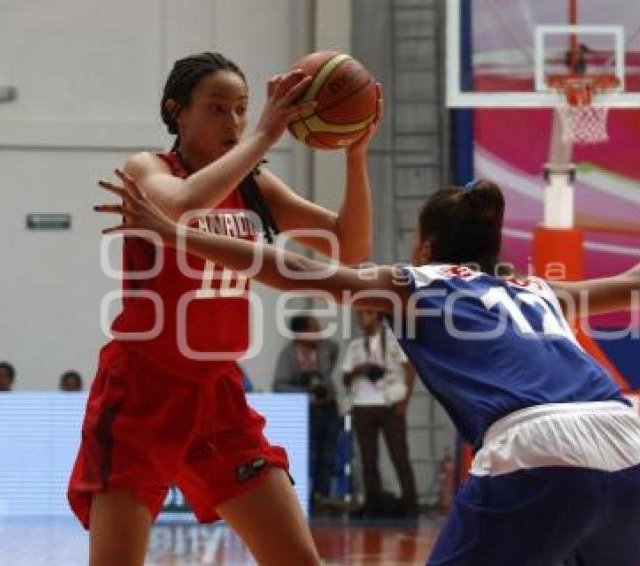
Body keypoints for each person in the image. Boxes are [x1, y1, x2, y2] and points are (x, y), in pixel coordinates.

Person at [96, 176, 640, 565]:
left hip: (536, 442)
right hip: (624, 437)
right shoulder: (535, 289)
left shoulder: (415, 282)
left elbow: (289, 266)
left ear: (427, 246)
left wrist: (172, 231)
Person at [74, 51, 380, 566]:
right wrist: (264, 136)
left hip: (219, 396)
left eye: (241, 109)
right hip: (143, 393)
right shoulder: (148, 168)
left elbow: (349, 246)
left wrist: (355, 154)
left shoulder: (253, 184)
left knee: (298, 560)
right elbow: (179, 208)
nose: (235, 122)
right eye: (218, 109)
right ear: (177, 111)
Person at [342, 308, 418, 518]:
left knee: (399, 456)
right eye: (359, 315)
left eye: (365, 314)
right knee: (368, 458)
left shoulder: (395, 342)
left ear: (376, 316)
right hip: (362, 405)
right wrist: (361, 369)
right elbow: (345, 378)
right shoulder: (356, 345)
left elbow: (410, 372)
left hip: (390, 404)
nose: (360, 318)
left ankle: (411, 505)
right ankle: (374, 505)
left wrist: (405, 402)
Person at [273, 314, 340, 508]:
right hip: (306, 411)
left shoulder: (324, 349)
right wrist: (305, 392)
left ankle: (323, 497)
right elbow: (279, 385)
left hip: (328, 407)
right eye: (313, 329)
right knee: (309, 455)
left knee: (328, 454)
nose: (318, 333)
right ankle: (306, 498)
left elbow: (335, 347)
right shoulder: (289, 354)